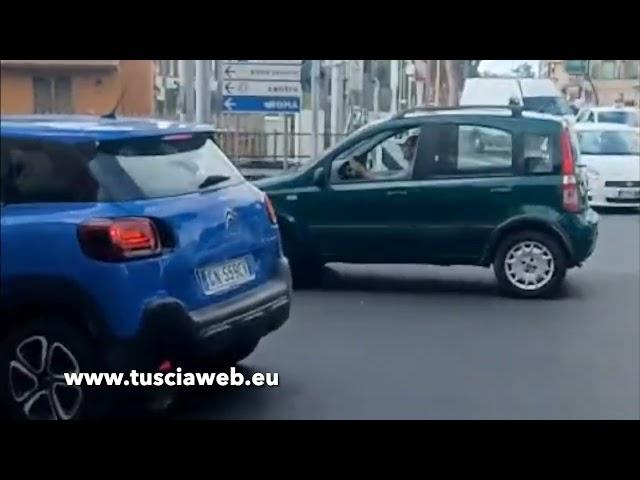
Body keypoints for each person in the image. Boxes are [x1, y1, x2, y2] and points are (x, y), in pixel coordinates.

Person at [345, 133, 418, 181]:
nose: (402, 149)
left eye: (406, 145)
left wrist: (362, 171)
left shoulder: (412, 170)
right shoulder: (413, 168)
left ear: (414, 148)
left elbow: (387, 182)